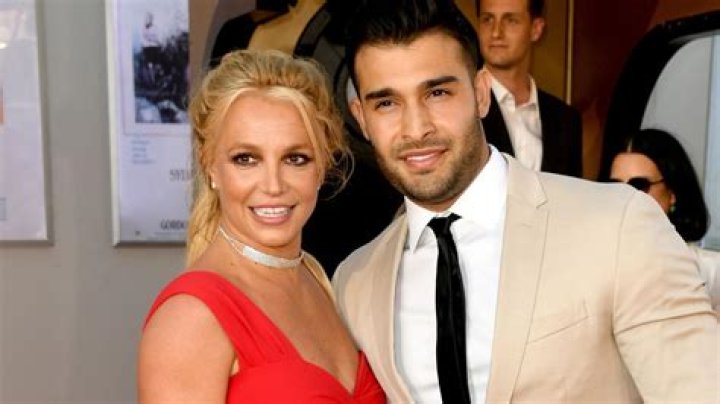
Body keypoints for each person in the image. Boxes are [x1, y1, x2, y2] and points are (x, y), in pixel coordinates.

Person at [333, 0, 718, 402]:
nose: (416, 128)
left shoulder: (619, 224)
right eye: (386, 103)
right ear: (361, 117)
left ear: (481, 93)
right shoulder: (355, 282)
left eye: (438, 92)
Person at [138, 49, 385, 403]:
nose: (273, 185)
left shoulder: (320, 280)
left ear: (321, 167)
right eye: (246, 159)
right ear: (210, 165)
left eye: (295, 158)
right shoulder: (190, 318)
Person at [608, 128, 719, 311]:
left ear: (672, 192)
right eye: (614, 185)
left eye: (639, 185)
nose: (625, 195)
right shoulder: (593, 263)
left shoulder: (710, 271)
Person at [478, 0, 583, 177]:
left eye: (510, 20)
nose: (496, 32)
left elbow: (573, 191)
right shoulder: (464, 107)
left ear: (536, 29)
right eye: (488, 19)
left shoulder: (566, 120)